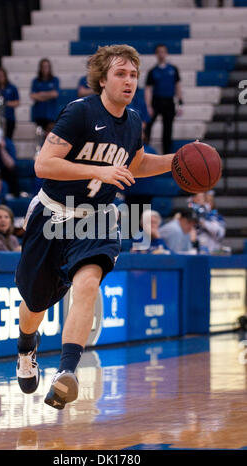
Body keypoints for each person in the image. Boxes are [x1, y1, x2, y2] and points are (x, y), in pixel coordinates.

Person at [15, 44, 174, 409]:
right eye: (120, 73)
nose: (129, 80)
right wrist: (97, 170)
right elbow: (44, 165)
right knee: (35, 303)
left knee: (88, 283)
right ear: (102, 79)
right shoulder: (80, 112)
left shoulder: (134, 121)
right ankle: (26, 347)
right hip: (53, 214)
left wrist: (176, 160)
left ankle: (66, 372)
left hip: (97, 218)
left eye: (133, 74)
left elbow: (134, 164)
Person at [144, 44, 183, 154]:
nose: (161, 54)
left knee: (168, 129)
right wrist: (148, 106)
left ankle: (167, 155)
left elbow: (177, 85)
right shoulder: (152, 71)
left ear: (166, 53)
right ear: (156, 54)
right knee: (148, 126)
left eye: (163, 52)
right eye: (159, 52)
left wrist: (180, 103)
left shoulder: (173, 69)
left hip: (169, 102)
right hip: (156, 101)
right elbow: (148, 89)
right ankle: (145, 150)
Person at [30, 58, 60, 135]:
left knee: (50, 136)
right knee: (40, 135)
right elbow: (33, 96)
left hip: (51, 113)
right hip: (39, 113)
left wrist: (41, 94)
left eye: (47, 66)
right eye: (43, 66)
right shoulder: (35, 81)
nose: (45, 69)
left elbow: (55, 94)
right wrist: (48, 95)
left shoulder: (55, 80)